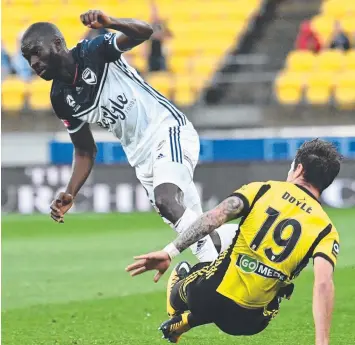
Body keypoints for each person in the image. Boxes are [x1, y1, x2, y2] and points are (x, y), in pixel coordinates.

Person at [20, 10, 237, 264]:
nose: (33, 62)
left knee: (166, 200)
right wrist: (70, 191)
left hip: (168, 131)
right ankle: (254, 237)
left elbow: (144, 31)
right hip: (142, 161)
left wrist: (112, 23)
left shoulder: (93, 51)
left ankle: (212, 276)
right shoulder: (60, 98)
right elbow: (85, 151)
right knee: (200, 233)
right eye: (27, 58)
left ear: (57, 44)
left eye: (36, 52)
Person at [126, 139, 345, 345]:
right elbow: (323, 283)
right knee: (278, 289)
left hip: (209, 297)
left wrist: (169, 252)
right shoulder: (326, 229)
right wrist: (322, 344)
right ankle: (189, 320)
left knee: (199, 272)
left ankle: (180, 299)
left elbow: (213, 218)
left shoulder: (263, 189)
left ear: (299, 168)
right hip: (252, 322)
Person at [146, 0, 172, 72]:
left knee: (162, 72)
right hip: (152, 53)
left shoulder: (161, 25)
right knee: (152, 73)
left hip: (161, 54)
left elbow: (169, 36)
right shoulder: (149, 25)